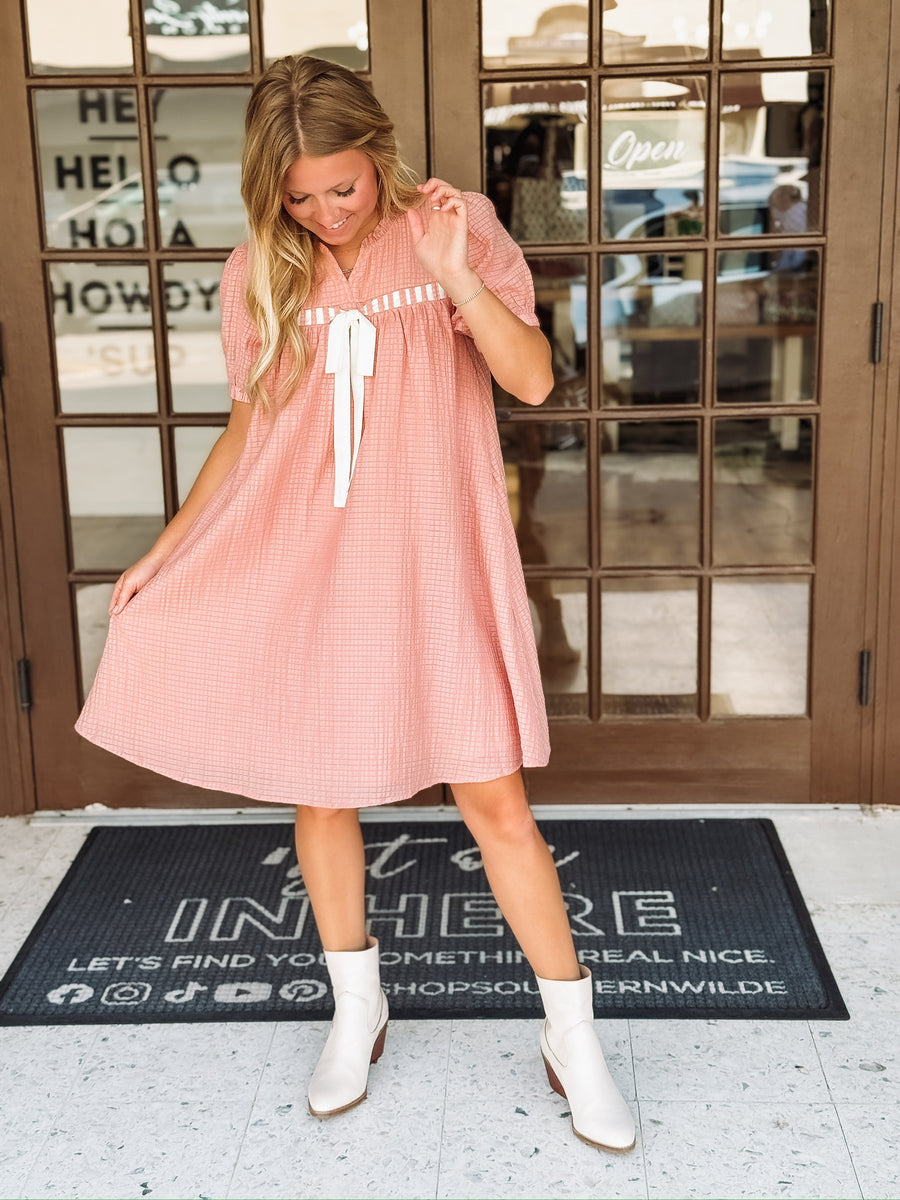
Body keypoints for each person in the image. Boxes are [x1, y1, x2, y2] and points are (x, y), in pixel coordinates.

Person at [76, 55, 635, 1154]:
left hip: (436, 559)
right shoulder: (259, 272)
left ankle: (574, 1038)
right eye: (299, 197)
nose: (326, 214)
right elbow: (251, 427)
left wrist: (457, 276)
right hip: (307, 559)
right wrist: (168, 547)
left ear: (376, 154)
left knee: (496, 805)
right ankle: (356, 1006)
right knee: (320, 792)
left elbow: (531, 381)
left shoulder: (454, 222)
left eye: (342, 188)